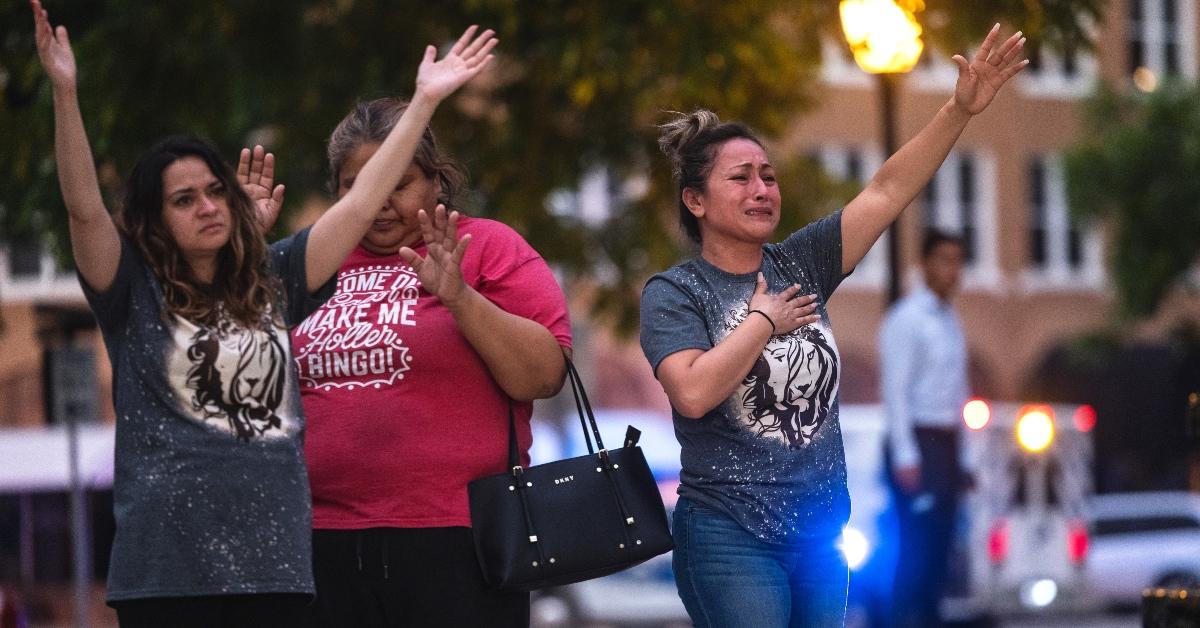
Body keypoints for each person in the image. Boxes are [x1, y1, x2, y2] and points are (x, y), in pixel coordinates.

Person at [31, 1, 497, 625]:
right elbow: (84, 207)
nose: (208, 206)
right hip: (164, 579)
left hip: (274, 575)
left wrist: (423, 102)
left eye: (217, 191)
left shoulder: (274, 278)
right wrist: (65, 92)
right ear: (152, 220)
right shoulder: (130, 293)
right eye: (184, 198)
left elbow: (359, 204)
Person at [639, 25, 1026, 628]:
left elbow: (888, 188)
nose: (762, 189)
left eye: (768, 175)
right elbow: (691, 392)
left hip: (821, 535)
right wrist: (761, 323)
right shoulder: (675, 293)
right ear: (695, 201)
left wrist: (958, 109)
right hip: (730, 534)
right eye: (740, 178)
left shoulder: (802, 262)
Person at [291, 98, 573, 626]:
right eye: (358, 185)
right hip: (319, 541)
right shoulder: (309, 263)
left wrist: (461, 297)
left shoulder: (487, 247)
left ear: (436, 182)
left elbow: (544, 374)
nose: (377, 202)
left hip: (459, 539)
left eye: (396, 183)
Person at [880, 230, 970, 628]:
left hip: (946, 443)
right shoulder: (907, 319)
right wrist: (906, 455)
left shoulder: (951, 321)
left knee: (941, 549)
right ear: (926, 264)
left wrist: (964, 457)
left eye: (958, 260)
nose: (953, 270)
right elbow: (895, 390)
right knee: (915, 549)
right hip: (918, 441)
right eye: (944, 259)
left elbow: (959, 394)